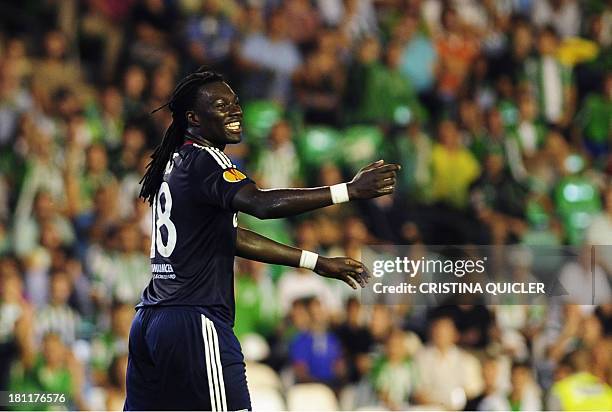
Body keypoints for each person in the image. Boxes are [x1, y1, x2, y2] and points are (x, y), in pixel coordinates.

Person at [124, 67, 399, 411]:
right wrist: (348, 190)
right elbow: (262, 204)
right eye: (221, 106)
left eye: (235, 103)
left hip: (151, 321)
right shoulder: (209, 160)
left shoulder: (173, 162)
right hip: (194, 319)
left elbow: (230, 237)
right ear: (193, 118)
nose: (235, 111)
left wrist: (313, 261)